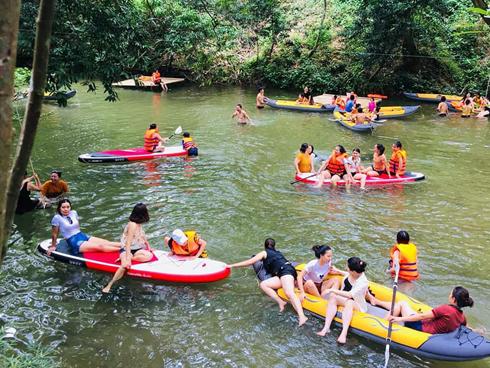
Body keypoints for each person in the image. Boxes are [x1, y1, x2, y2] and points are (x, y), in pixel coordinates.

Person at [229, 238, 308, 326]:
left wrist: (232, 265)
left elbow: (250, 262)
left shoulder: (264, 252)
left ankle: (302, 316)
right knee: (263, 285)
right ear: (274, 246)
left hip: (286, 271)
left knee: (289, 293)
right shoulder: (278, 253)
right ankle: (281, 302)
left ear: (265, 246)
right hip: (282, 273)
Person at [102, 203, 154, 293]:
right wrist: (127, 257)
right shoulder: (132, 224)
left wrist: (149, 247)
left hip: (136, 249)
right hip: (126, 248)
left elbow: (143, 235)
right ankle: (109, 285)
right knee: (125, 266)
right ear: (141, 213)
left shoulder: (138, 223)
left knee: (149, 256)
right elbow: (128, 242)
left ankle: (130, 257)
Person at [317, 257, 369, 343]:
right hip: (345, 299)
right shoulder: (353, 273)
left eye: (348, 268)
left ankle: (343, 334)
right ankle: (326, 328)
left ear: (354, 271)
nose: (346, 268)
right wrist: (337, 271)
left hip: (357, 304)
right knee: (333, 297)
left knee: (349, 302)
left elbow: (350, 295)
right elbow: (347, 274)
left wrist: (331, 290)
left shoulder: (363, 282)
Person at [387, 287, 474, 335]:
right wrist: (477, 331)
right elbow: (466, 326)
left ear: (453, 299)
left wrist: (399, 319)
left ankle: (385, 322)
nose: (449, 295)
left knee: (402, 303)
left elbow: (422, 316)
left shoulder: (446, 309)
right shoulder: (462, 316)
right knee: (406, 308)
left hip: (420, 328)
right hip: (432, 331)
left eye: (450, 294)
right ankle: (376, 302)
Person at [49, 199, 120, 256]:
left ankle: (129, 246)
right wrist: (53, 245)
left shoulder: (74, 213)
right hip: (74, 242)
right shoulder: (57, 218)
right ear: (59, 208)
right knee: (101, 246)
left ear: (70, 207)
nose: (66, 209)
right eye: (63, 207)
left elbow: (77, 227)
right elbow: (54, 234)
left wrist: (67, 233)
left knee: (107, 243)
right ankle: (124, 251)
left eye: (68, 207)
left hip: (82, 235)